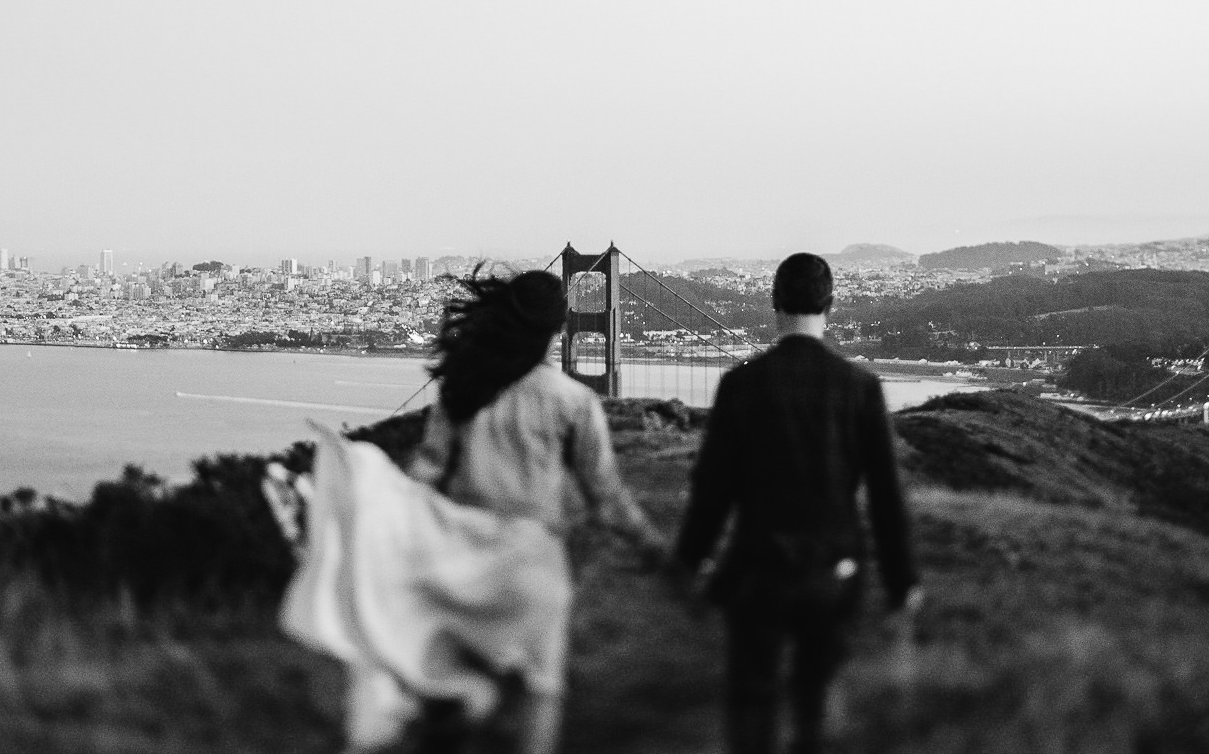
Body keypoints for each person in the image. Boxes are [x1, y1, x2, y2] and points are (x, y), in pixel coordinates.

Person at [271, 269, 666, 754]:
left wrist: (370, 505)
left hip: (460, 559)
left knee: (448, 683)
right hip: (533, 565)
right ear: (558, 329)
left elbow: (426, 476)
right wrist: (654, 548)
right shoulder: (574, 401)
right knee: (542, 694)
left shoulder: (465, 387)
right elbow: (607, 496)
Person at [670, 252, 919, 754]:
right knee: (817, 703)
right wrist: (902, 582)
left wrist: (688, 561)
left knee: (751, 699)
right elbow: (887, 495)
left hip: (759, 568)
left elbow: (713, 489)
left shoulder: (742, 384)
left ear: (774, 302)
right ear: (830, 304)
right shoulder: (861, 388)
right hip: (835, 569)